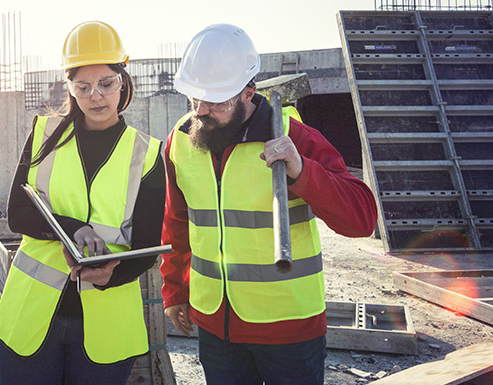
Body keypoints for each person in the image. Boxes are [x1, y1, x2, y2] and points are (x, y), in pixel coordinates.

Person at [160, 24, 378, 385]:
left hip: (289, 332)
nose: (201, 110)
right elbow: (177, 222)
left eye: (215, 100)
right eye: (194, 98)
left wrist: (303, 171)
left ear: (248, 92)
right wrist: (174, 291)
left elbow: (362, 218)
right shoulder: (181, 140)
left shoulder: (293, 137)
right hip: (215, 326)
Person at [0, 20, 166, 385]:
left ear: (123, 80)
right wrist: (72, 229)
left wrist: (110, 275)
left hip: (106, 323)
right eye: (82, 87)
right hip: (32, 318)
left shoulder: (147, 155)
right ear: (69, 86)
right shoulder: (44, 134)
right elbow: (18, 213)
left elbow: (148, 248)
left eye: (106, 84)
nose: (95, 97)